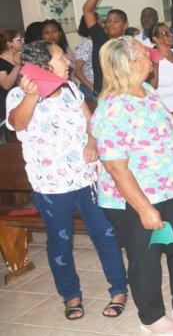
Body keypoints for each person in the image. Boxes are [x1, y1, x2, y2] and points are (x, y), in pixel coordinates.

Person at [92, 36, 173, 334]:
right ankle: (151, 317)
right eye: (145, 55)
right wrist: (144, 209)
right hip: (131, 199)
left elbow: (171, 126)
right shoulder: (112, 109)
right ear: (133, 64)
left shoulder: (146, 91)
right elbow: (115, 167)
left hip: (166, 190)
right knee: (145, 257)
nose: (152, 58)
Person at [6, 41, 128, 320]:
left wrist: (92, 142)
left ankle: (119, 288)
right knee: (60, 241)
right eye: (62, 57)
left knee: (105, 234)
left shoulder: (72, 89)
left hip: (87, 178)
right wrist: (31, 96)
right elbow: (18, 123)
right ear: (45, 65)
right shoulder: (17, 96)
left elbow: (92, 123)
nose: (69, 62)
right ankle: (70, 295)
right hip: (51, 185)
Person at [82, 0, 129, 95]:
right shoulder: (100, 37)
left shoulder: (130, 43)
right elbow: (87, 11)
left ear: (125, 26)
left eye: (116, 21)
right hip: (104, 93)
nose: (111, 24)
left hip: (126, 92)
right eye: (108, 21)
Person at [0, 29, 23, 141]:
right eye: (18, 39)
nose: (22, 41)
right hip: (5, 107)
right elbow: (5, 84)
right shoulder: (1, 62)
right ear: (10, 44)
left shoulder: (17, 59)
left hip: (18, 103)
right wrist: (17, 66)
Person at [74, 15, 100, 99]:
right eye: (100, 21)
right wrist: (92, 87)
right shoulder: (86, 43)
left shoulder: (96, 41)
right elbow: (77, 70)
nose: (103, 24)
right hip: (90, 89)